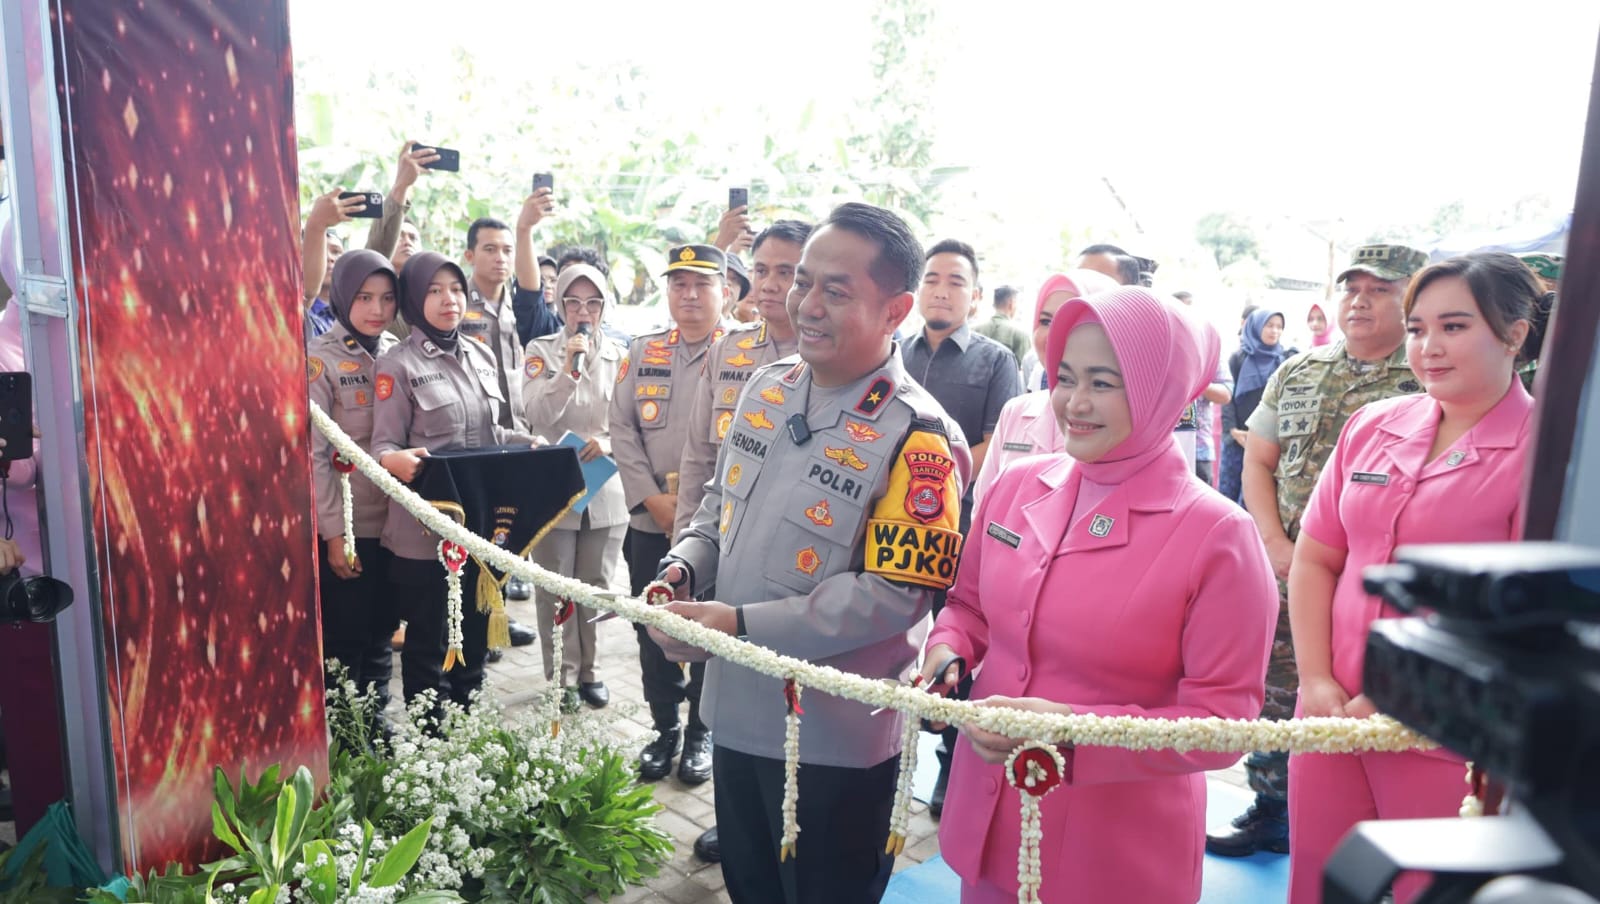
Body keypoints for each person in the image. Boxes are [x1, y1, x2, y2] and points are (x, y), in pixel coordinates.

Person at [650, 202, 969, 904]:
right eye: (803, 283)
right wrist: (681, 570)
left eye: (836, 289)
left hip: (833, 742)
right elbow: (717, 513)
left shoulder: (920, 438)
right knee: (752, 888)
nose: (807, 305)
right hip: (735, 714)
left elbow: (894, 597)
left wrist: (737, 626)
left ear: (896, 309)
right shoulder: (767, 390)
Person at [923, 285, 1276, 903]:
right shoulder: (1016, 485)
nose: (1074, 403)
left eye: (1104, 383)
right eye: (1065, 377)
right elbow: (969, 605)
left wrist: (1069, 731)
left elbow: (1225, 727)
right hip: (990, 815)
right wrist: (948, 649)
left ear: (1159, 389)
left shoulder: (1219, 535)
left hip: (1112, 849)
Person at [1286, 252, 1539, 903]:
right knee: (1319, 878)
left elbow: (1518, 620)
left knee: (1426, 892)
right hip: (1328, 714)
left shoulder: (1546, 452)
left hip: (1445, 733)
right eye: (1419, 327)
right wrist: (1314, 679)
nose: (1428, 347)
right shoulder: (1372, 426)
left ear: (1515, 333)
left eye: (1454, 327)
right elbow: (1317, 558)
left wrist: (1401, 697)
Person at [1209, 244, 1427, 858]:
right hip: (1287, 573)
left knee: (1375, 699)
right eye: (1351, 287)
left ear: (1412, 296)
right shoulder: (1299, 370)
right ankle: (1273, 808)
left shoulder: (1427, 377)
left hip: (1378, 582)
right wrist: (1275, 544)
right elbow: (1259, 457)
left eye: (1380, 289)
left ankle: (1372, 828)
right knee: (1278, 690)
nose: (1360, 299)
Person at [372, 252, 545, 709]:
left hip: (482, 528)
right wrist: (395, 460)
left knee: (471, 643)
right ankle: (431, 749)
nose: (448, 299)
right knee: (430, 647)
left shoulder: (481, 353)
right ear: (413, 299)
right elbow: (381, 447)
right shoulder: (397, 364)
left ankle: (465, 737)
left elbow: (490, 434)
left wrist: (526, 441)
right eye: (433, 290)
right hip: (425, 534)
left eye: (454, 289)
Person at [903, 237, 1023, 816]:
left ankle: (954, 762)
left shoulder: (995, 361)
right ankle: (893, 751)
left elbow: (997, 443)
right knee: (894, 639)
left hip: (964, 530)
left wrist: (931, 480)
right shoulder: (894, 352)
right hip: (894, 532)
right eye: (932, 279)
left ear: (974, 298)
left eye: (955, 281)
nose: (941, 290)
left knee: (959, 648)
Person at [610, 242, 728, 785]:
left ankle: (701, 733)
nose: (690, 294)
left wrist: (688, 512)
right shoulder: (642, 351)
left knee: (707, 631)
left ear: (725, 292)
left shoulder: (746, 358)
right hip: (648, 521)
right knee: (651, 628)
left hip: (716, 529)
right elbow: (622, 430)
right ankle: (665, 730)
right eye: (679, 284)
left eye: (701, 284)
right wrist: (652, 499)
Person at [520, 264, 628, 712]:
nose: (584, 312)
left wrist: (608, 441)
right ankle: (560, 677)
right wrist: (567, 370)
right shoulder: (541, 351)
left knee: (596, 586)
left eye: (593, 302)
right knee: (554, 589)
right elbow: (535, 413)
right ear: (559, 304)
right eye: (574, 302)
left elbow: (636, 422)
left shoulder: (622, 356)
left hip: (606, 484)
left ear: (605, 306)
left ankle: (591, 672)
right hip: (555, 486)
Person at [307, 250, 400, 712]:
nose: (376, 310)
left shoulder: (396, 352)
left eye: (386, 298)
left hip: (396, 525)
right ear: (343, 296)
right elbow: (317, 456)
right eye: (364, 297)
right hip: (351, 526)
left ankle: (376, 730)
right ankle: (347, 745)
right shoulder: (320, 360)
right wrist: (333, 534)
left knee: (382, 632)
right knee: (346, 642)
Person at [972, 269, 1117, 506]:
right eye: (1046, 321)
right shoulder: (1015, 411)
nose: (1054, 335)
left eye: (1072, 321)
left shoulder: (1119, 419)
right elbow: (984, 505)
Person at [1220, 308, 1290, 503]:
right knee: (1229, 493)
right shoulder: (1238, 359)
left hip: (1268, 440)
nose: (1274, 331)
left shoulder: (1285, 361)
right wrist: (1233, 430)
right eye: (1269, 325)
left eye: (1279, 327)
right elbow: (1228, 396)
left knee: (1258, 495)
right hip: (1238, 438)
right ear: (1256, 326)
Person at [972, 285, 1029, 366]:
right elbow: (1022, 369)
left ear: (994, 304)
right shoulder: (1021, 334)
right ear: (1011, 304)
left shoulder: (973, 330)